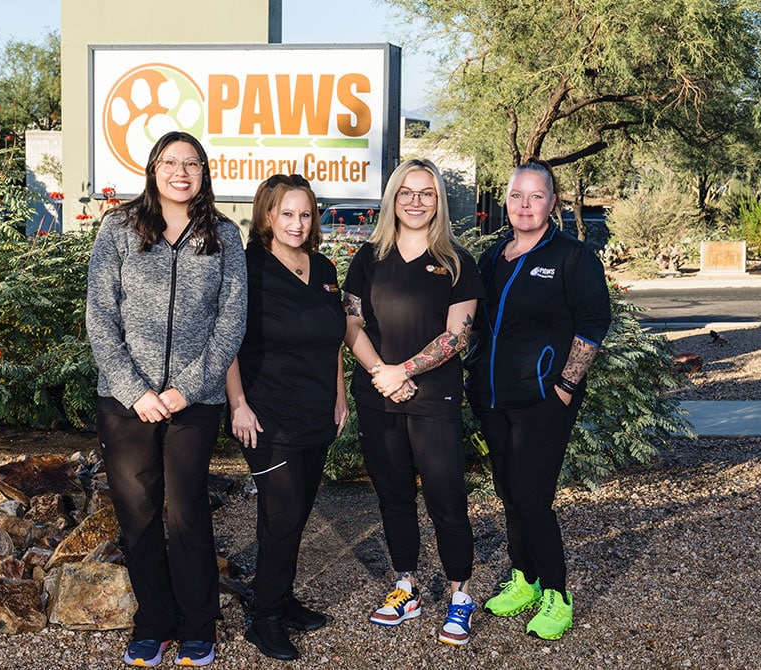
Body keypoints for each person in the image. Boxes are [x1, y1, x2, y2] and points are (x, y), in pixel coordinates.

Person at [86, 131, 247, 668]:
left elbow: (231, 323)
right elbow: (101, 319)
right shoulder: (118, 228)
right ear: (153, 168)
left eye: (193, 163)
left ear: (205, 172)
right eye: (171, 162)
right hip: (126, 404)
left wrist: (186, 388)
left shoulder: (223, 235)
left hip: (193, 403)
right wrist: (136, 392)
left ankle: (199, 625)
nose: (182, 171)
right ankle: (153, 623)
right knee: (138, 516)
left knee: (187, 513)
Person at [462, 159, 611, 641]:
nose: (525, 205)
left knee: (531, 496)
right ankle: (523, 579)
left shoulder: (572, 256)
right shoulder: (493, 256)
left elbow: (592, 324)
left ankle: (556, 593)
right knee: (508, 489)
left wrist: (565, 387)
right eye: (516, 195)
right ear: (506, 200)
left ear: (552, 201)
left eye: (536, 196)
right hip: (491, 397)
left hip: (543, 400)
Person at [342, 158, 485, 646]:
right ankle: (405, 585)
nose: (417, 201)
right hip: (377, 395)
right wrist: (382, 374)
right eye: (407, 191)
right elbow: (351, 324)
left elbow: (457, 333)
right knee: (394, 496)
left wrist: (404, 371)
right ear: (393, 198)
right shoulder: (368, 257)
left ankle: (460, 595)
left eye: (427, 193)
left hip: (433, 397)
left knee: (447, 498)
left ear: (439, 200)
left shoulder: (456, 260)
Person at [225, 174, 349, 661]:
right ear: (268, 216)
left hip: (316, 412)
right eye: (287, 214)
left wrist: (340, 395)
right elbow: (227, 340)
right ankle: (266, 620)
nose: (297, 223)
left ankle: (278, 595)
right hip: (265, 414)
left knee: (293, 516)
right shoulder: (248, 269)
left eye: (305, 214)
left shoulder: (323, 267)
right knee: (282, 515)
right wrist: (237, 404)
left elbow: (333, 336)